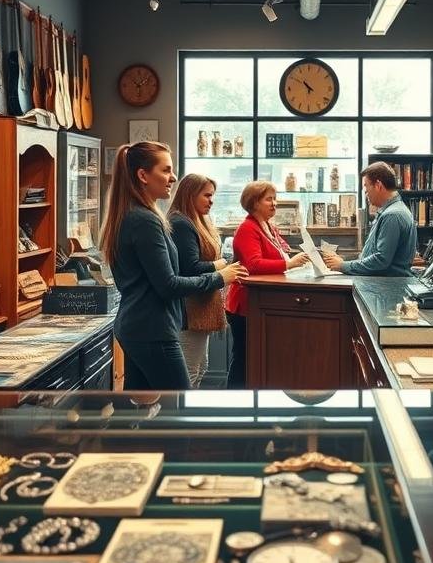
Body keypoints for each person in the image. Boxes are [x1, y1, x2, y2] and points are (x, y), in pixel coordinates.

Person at [100, 142, 247, 390]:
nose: (173, 177)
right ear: (143, 175)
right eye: (166, 170)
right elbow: (169, 285)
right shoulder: (145, 221)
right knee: (179, 404)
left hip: (138, 327)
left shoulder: (134, 215)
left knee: (139, 404)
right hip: (152, 330)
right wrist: (220, 277)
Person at [225, 181, 311, 388]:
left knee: (255, 358)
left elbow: (281, 250)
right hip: (246, 303)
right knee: (244, 359)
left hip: (261, 302)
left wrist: (288, 257)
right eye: (269, 199)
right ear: (254, 203)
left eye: (275, 199)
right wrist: (289, 263)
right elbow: (253, 264)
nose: (275, 204)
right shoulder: (247, 228)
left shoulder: (268, 226)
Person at [167, 174, 228, 388]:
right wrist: (220, 265)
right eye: (207, 195)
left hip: (200, 308)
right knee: (190, 371)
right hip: (189, 310)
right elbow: (189, 269)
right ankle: (181, 410)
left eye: (212, 196)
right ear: (190, 194)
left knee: (200, 367)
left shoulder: (195, 220)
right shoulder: (181, 223)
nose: (211, 201)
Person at [322, 161, 417, 277]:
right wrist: (342, 260)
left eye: (366, 188)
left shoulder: (392, 215)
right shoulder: (393, 211)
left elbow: (380, 260)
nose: (366, 194)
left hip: (385, 285)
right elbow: (372, 254)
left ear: (378, 185)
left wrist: (342, 266)